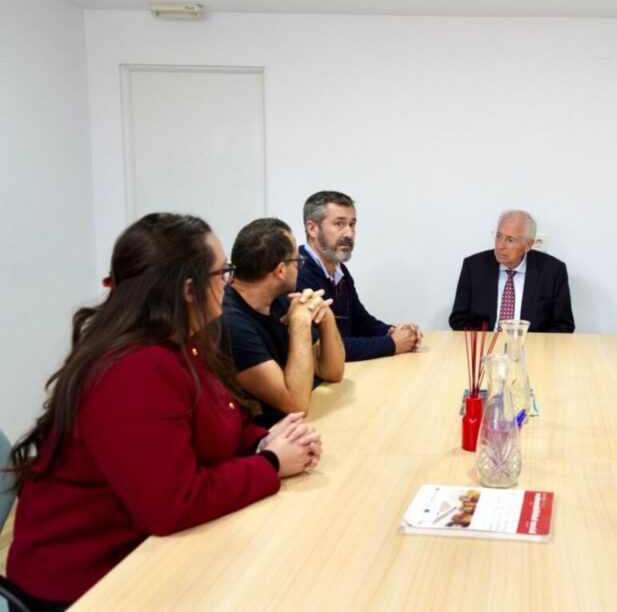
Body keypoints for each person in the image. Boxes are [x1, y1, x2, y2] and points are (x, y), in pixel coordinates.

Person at [4, 213, 321, 609]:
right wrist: (270, 463)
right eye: (221, 272)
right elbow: (173, 505)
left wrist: (267, 440)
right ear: (189, 289)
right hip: (86, 586)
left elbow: (224, 421)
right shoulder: (134, 368)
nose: (227, 283)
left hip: (142, 554)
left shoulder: (181, 343)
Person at [220, 218, 345, 427]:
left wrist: (325, 315)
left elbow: (332, 371)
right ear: (280, 271)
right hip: (267, 435)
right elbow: (296, 404)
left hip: (296, 426)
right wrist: (300, 323)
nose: (300, 267)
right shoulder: (230, 322)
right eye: (297, 261)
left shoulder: (279, 302)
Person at [296, 191, 422, 361]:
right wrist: (391, 344)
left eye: (352, 224)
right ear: (312, 229)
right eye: (339, 224)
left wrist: (393, 332)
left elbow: (360, 321)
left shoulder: (340, 271)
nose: (349, 233)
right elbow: (322, 348)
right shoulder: (298, 273)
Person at [449, 209, 575, 332]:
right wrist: (483, 341)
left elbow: (563, 325)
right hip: (485, 342)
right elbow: (459, 319)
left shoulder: (553, 271)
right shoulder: (473, 267)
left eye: (510, 240)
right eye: (498, 236)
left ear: (528, 245)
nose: (500, 246)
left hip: (531, 343)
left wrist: (536, 343)